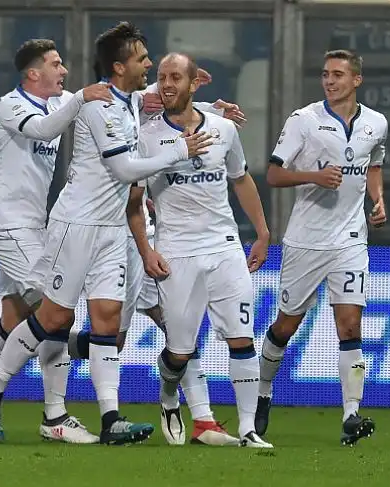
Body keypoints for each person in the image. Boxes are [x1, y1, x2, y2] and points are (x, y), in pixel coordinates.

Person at [0, 22, 213, 445]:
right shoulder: (99, 106)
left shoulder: (131, 99)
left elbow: (164, 99)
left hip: (110, 228)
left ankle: (111, 419)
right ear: (119, 66)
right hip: (75, 225)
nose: (150, 64)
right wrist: (180, 150)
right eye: (142, 58)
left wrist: (211, 105)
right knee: (54, 318)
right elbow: (122, 169)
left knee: (105, 322)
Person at [0, 39, 112, 444]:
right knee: (57, 314)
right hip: (11, 226)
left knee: (15, 322)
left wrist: (196, 106)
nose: (64, 70)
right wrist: (81, 97)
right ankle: (54, 416)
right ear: (33, 73)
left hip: (34, 227)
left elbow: (110, 100)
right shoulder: (11, 105)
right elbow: (47, 128)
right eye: (56, 63)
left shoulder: (60, 99)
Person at [135, 52, 273, 448]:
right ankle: (167, 395)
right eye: (161, 77)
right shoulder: (146, 136)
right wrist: (146, 249)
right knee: (180, 350)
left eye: (175, 77)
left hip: (225, 246)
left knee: (241, 336)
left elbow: (241, 179)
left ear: (194, 83)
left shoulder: (224, 129)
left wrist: (262, 232)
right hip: (176, 250)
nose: (166, 84)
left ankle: (247, 429)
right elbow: (134, 202)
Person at [254, 49, 388, 446]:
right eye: (325, 74)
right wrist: (314, 175)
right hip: (306, 242)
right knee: (285, 326)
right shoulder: (304, 120)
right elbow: (274, 174)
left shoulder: (376, 124)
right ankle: (262, 391)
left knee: (350, 326)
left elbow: (374, 165)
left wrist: (378, 201)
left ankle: (351, 416)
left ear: (356, 80)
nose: (329, 81)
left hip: (350, 240)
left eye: (338, 75)